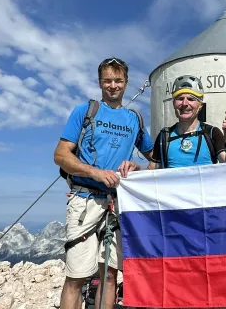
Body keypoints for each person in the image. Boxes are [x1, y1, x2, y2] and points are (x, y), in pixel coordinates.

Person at [53, 57, 154, 309]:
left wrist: (138, 167)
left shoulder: (135, 120)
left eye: (118, 80)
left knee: (109, 276)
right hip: (85, 200)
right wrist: (96, 173)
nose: (113, 85)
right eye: (107, 80)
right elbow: (61, 155)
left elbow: (158, 160)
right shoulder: (85, 111)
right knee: (76, 277)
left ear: (126, 83)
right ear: (100, 83)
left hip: (117, 205)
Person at [119, 74, 226, 174]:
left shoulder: (211, 133)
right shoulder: (164, 136)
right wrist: (136, 168)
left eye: (191, 99)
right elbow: (151, 172)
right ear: (174, 103)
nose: (184, 103)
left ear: (200, 105)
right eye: (180, 98)